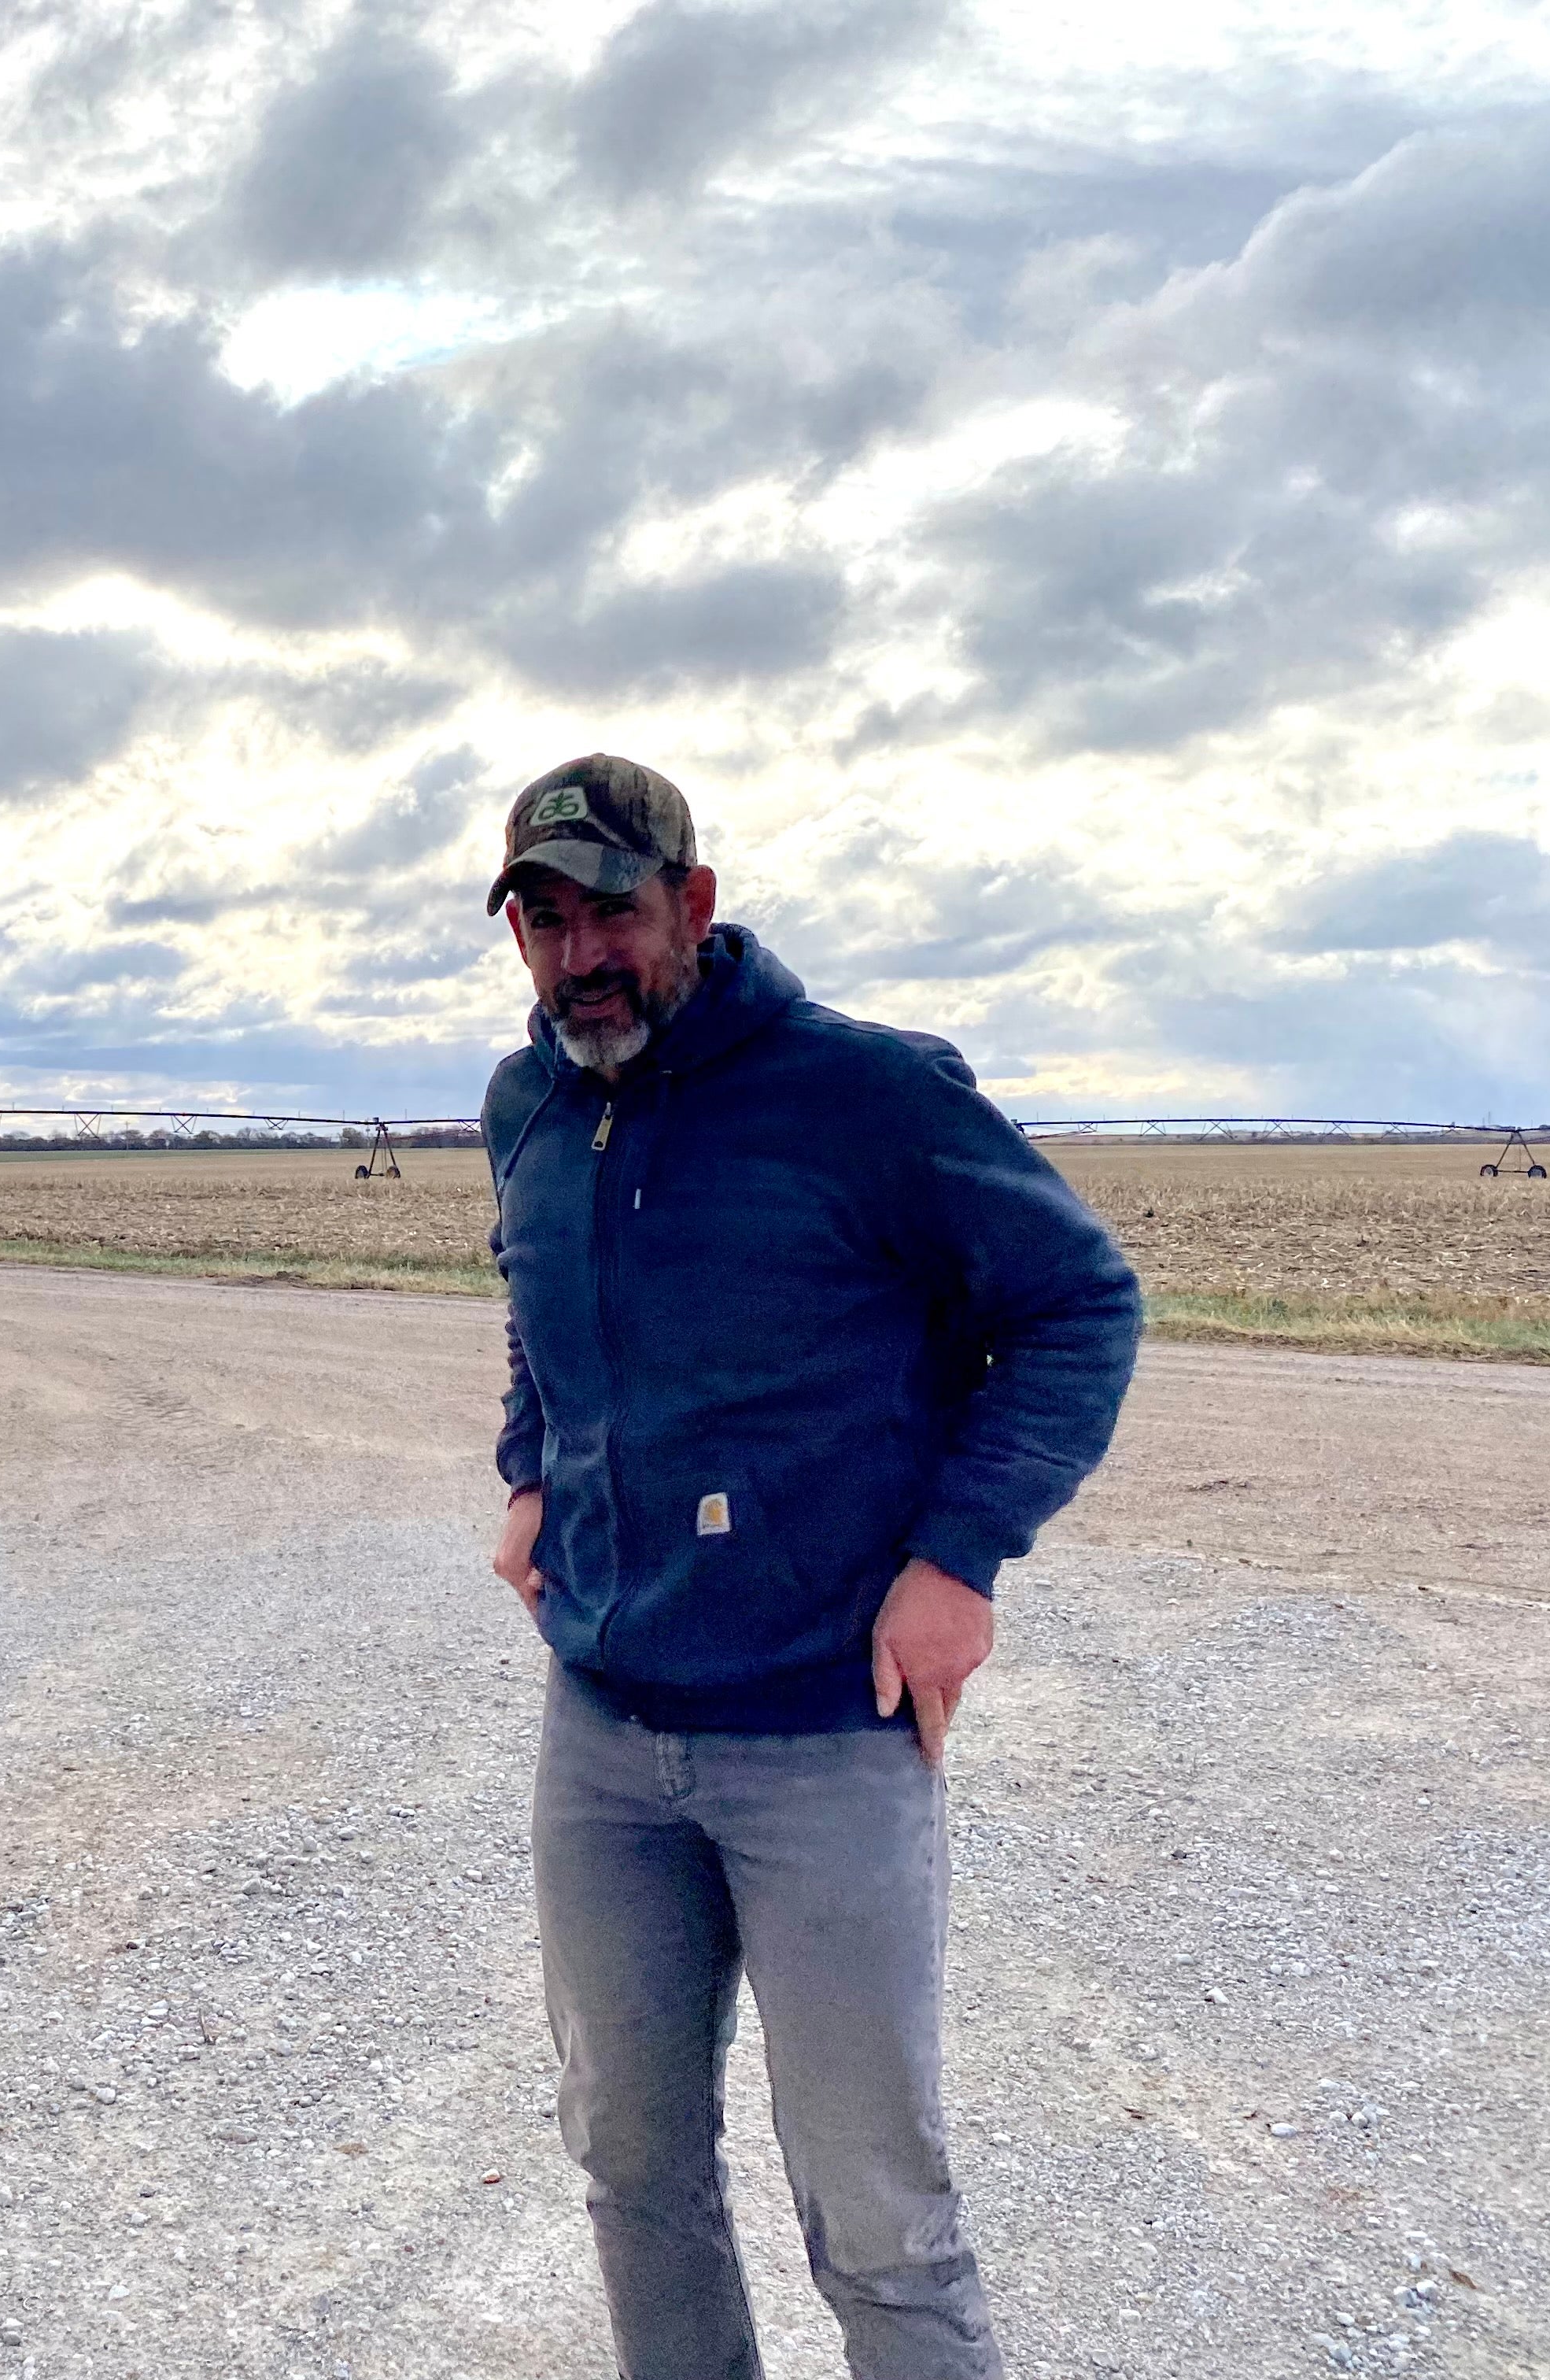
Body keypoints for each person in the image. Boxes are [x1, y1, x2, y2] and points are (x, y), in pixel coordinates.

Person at [482, 754, 1141, 2379]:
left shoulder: (867, 1096)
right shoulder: (533, 1106)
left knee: (878, 2214)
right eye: (543, 923)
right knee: (631, 2165)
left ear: (693, 905)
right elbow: (544, 1313)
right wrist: (526, 1473)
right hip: (607, 1736)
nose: (580, 960)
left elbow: (1077, 1305)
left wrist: (958, 1558)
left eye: (612, 914)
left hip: (824, 1742)